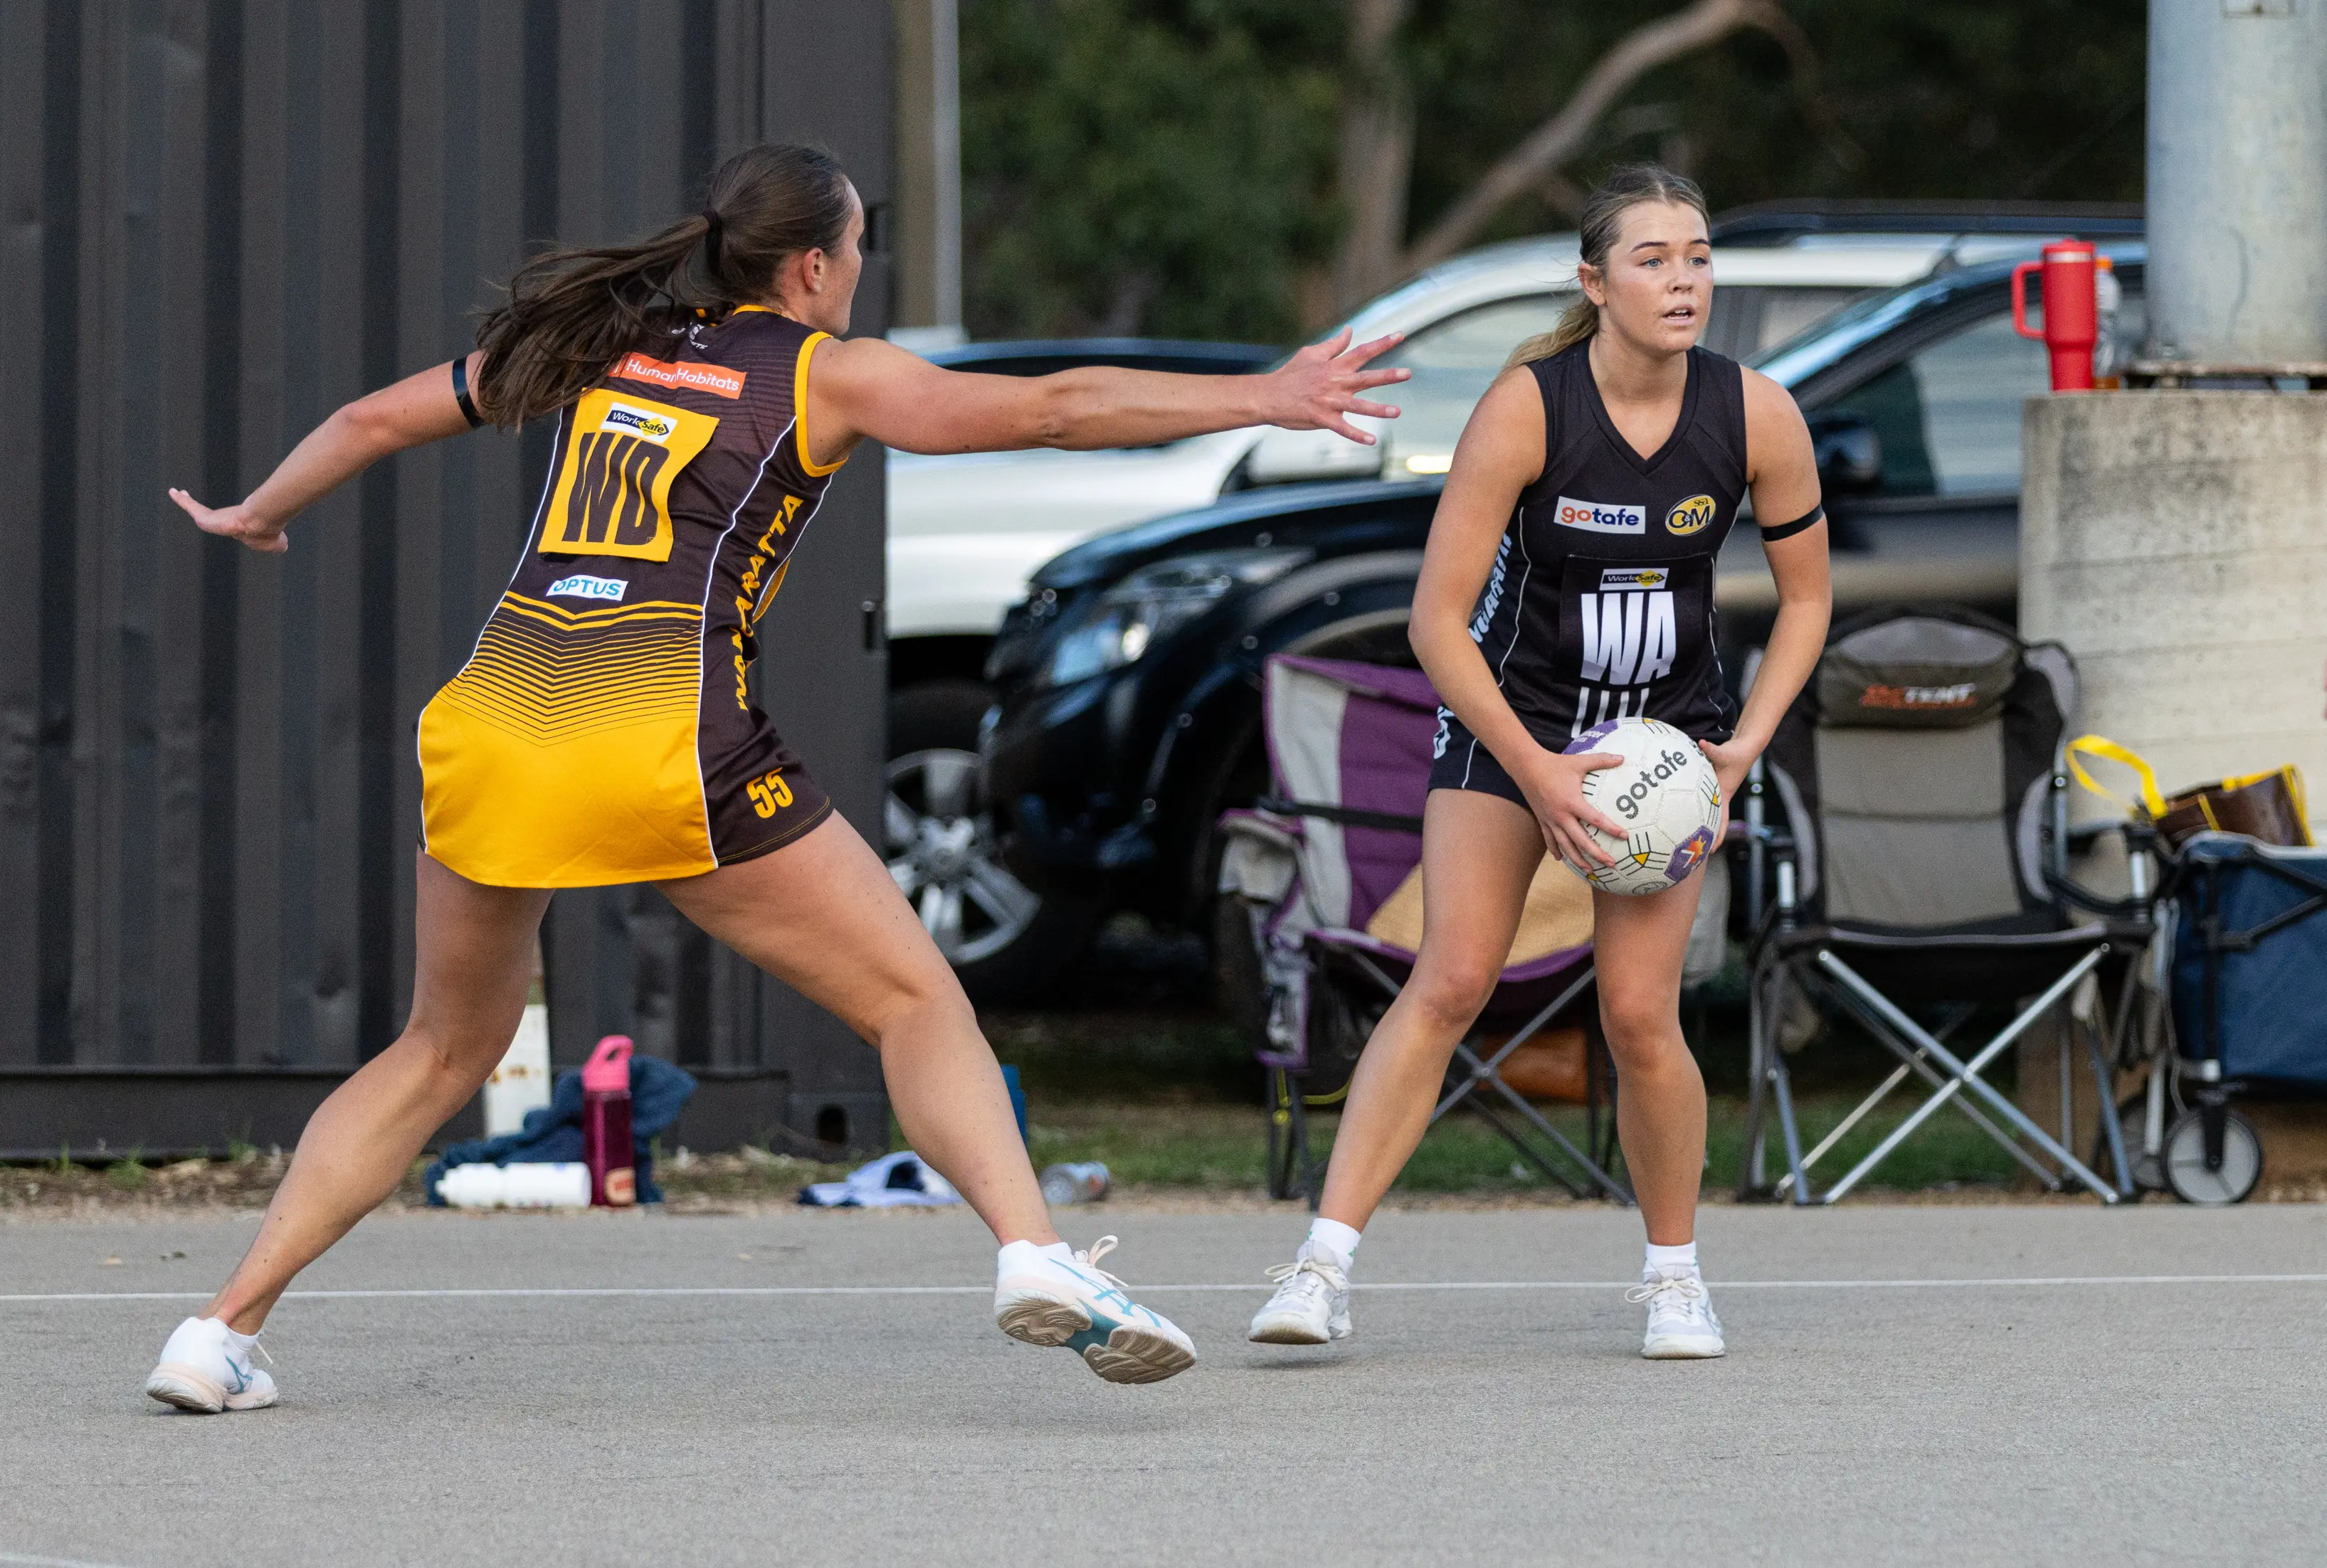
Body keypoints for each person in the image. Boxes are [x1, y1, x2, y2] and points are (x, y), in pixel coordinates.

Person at [142, 142, 1408, 1411]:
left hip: (498, 715)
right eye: (858, 248)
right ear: (813, 264)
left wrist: (259, 509)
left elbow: (370, 419)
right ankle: (1035, 1253)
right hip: (657, 732)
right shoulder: (824, 375)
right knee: (916, 1003)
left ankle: (217, 1330)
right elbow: (1053, 409)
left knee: (436, 1049)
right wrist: (1267, 396)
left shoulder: (601, 343)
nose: (862, 268)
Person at [1246, 165, 1830, 1360]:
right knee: (1450, 980)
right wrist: (1538, 772)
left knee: (1637, 1015)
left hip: (1663, 749)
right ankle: (1319, 1267)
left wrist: (1744, 746)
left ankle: (1675, 1279)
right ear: (1594, 282)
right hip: (1511, 728)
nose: (1683, 280)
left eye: (1698, 256)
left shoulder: (1755, 412)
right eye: (1652, 259)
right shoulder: (1528, 408)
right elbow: (1433, 622)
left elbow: (1808, 599)